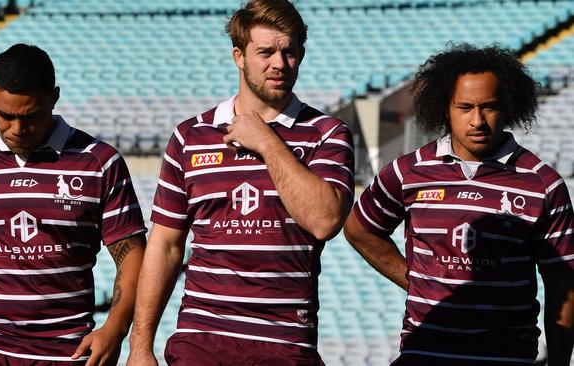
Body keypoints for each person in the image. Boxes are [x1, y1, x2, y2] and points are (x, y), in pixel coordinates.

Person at [126, 0, 355, 364]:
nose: (279, 64)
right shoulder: (191, 135)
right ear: (239, 56)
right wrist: (140, 346)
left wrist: (266, 141)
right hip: (201, 338)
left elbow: (324, 221)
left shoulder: (326, 134)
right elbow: (166, 246)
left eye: (289, 52)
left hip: (284, 341)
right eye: (265, 52)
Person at [343, 43, 574, 365]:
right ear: (444, 109)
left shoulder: (544, 184)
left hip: (506, 356)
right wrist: (416, 282)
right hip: (425, 352)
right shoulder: (406, 172)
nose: (477, 121)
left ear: (508, 106)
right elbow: (360, 230)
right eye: (465, 107)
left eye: (489, 107)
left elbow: (563, 284)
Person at [0, 44, 147, 365]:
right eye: (5, 115)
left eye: (30, 116)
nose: (16, 129)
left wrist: (115, 329)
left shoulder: (98, 162)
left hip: (65, 349)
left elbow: (133, 256)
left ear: (53, 98)